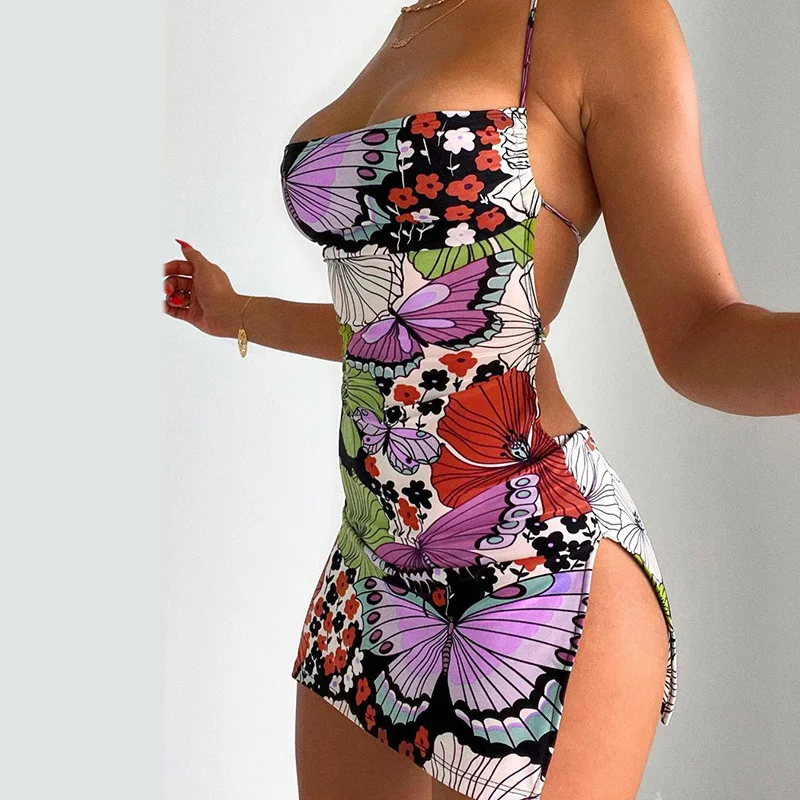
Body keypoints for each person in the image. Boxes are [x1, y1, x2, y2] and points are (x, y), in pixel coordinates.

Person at [163, 0, 800, 797]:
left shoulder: (601, 18)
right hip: (369, 563)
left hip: (533, 560)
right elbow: (400, 323)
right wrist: (237, 313)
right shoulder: (418, 16)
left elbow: (701, 332)